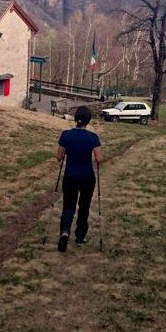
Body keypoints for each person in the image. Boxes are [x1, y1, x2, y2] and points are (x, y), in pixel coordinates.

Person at [55, 105, 103, 252]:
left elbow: (59, 157)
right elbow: (99, 159)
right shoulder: (93, 137)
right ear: (88, 121)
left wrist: (65, 153)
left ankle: (64, 232)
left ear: (76, 119)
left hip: (70, 176)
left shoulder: (66, 135)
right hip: (87, 177)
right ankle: (80, 236)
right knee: (84, 206)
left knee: (68, 205)